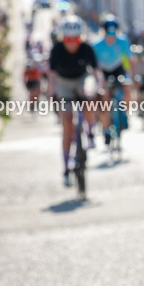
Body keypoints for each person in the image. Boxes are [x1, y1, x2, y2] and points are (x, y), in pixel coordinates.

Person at [47, 18, 101, 186]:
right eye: (68, 39)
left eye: (76, 39)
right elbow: (52, 76)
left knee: (89, 97)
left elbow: (96, 71)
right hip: (63, 83)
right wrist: (52, 93)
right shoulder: (56, 50)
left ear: (81, 37)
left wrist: (99, 87)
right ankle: (65, 167)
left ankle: (90, 131)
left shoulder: (86, 48)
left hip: (81, 79)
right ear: (63, 38)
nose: (72, 43)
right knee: (67, 126)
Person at [90, 14, 134, 147]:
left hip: (118, 69)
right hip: (103, 71)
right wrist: (99, 80)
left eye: (113, 30)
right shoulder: (97, 44)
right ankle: (105, 128)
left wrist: (129, 75)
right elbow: (95, 66)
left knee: (127, 88)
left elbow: (127, 61)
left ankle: (125, 113)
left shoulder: (123, 41)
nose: (111, 33)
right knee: (104, 96)